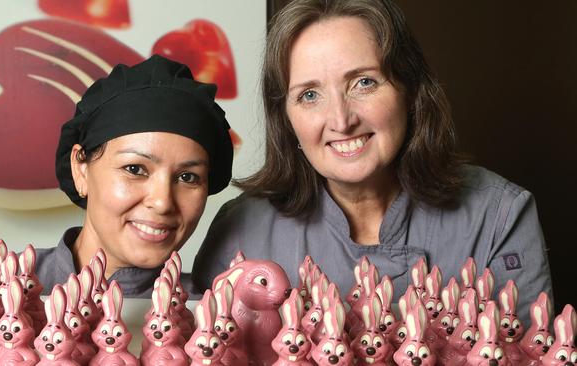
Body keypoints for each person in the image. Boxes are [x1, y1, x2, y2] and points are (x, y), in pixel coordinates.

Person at [192, 0, 551, 327]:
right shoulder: (240, 231)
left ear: (410, 91)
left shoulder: (499, 215)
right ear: (285, 118)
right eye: (310, 95)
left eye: (363, 82)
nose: (340, 119)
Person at [0, 55, 233, 297]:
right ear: (81, 170)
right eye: (135, 169)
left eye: (188, 177)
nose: (163, 202)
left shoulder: (209, 318)